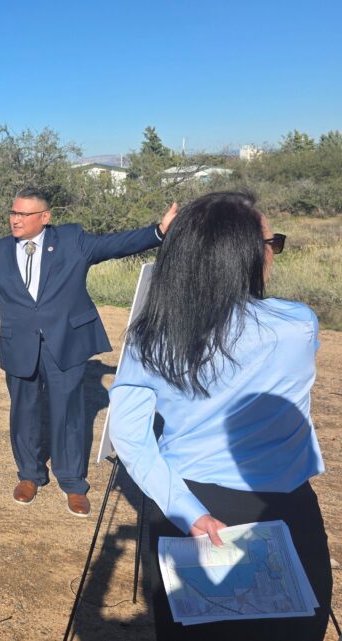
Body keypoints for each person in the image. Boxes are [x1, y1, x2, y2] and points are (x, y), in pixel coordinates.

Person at [108, 192, 331, 640]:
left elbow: (129, 437)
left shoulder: (151, 336)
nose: (274, 252)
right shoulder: (298, 325)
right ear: (245, 255)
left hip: (187, 504)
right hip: (282, 503)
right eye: (273, 243)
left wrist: (188, 512)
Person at [0, 187, 177, 517]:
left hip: (65, 340)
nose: (15, 220)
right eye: (13, 213)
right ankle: (29, 475)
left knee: (68, 413)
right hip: (18, 343)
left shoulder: (72, 240)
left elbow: (115, 245)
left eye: (23, 215)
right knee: (22, 411)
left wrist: (158, 232)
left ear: (45, 217)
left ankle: (72, 482)